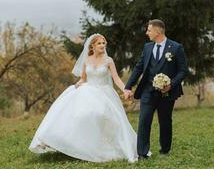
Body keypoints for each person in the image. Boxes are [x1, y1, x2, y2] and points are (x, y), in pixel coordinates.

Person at [29, 33, 140, 162]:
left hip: (104, 93)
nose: (102, 45)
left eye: (104, 43)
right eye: (99, 43)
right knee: (79, 115)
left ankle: (103, 147)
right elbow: (83, 78)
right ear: (92, 46)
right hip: (88, 91)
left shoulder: (108, 61)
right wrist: (79, 83)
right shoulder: (87, 60)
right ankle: (61, 141)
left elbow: (116, 79)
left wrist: (125, 89)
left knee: (101, 115)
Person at [124, 19, 188, 159]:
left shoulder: (176, 48)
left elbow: (183, 70)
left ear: (158, 31)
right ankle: (142, 153)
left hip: (167, 93)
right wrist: (128, 86)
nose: (147, 32)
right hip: (148, 90)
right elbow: (139, 67)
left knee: (165, 121)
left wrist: (171, 84)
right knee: (144, 120)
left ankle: (165, 150)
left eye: (149, 30)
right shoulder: (147, 47)